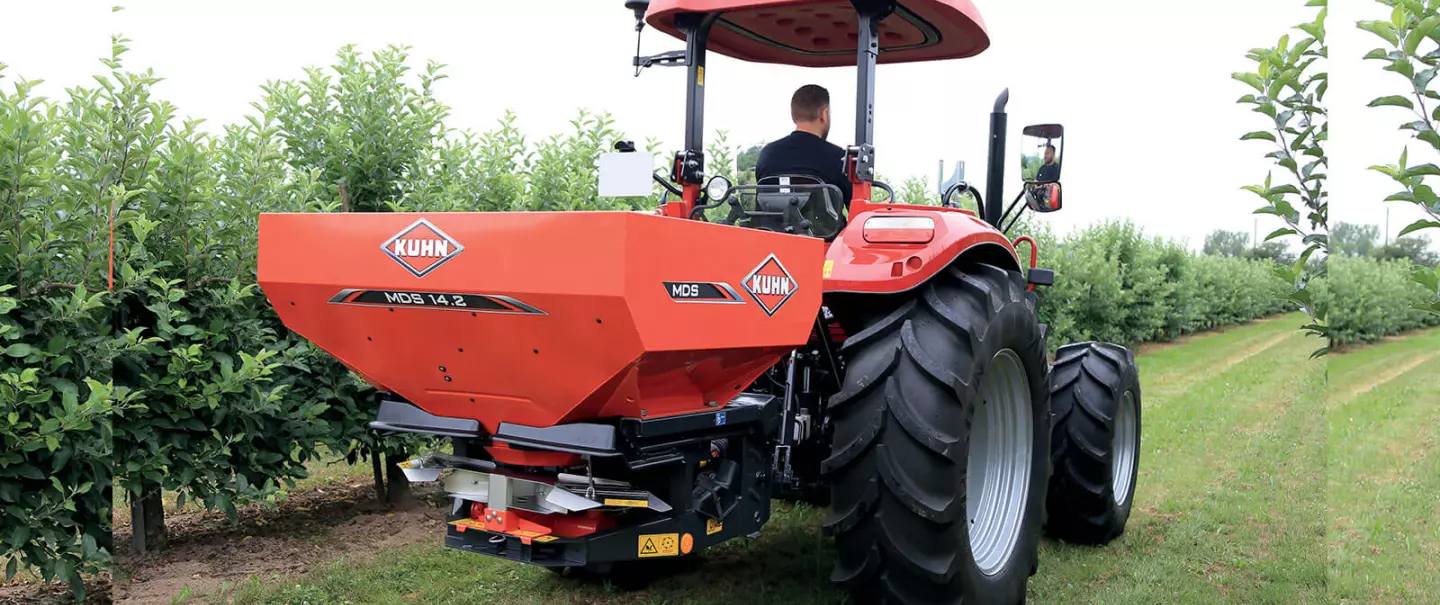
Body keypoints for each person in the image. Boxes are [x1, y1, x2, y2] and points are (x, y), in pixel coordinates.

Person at [756, 84, 854, 207]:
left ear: (793, 116)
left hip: (770, 226)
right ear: (824, 114)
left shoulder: (767, 154)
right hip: (821, 226)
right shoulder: (839, 158)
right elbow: (856, 212)